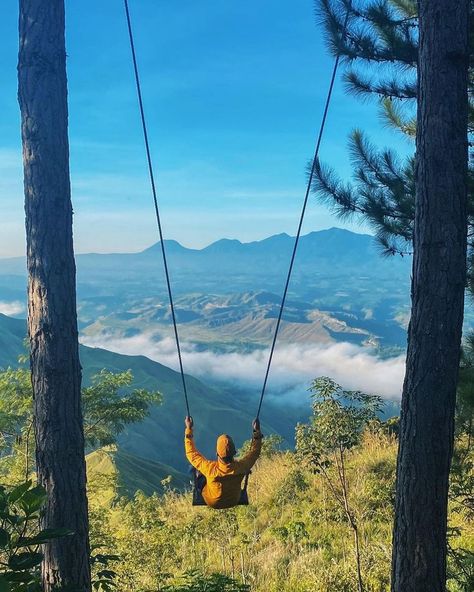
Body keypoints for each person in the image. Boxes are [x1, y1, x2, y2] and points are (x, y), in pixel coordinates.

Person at [184, 416, 263, 509]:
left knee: (196, 470)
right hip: (234, 500)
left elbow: (191, 454)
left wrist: (189, 428)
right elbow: (255, 452)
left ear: (217, 453)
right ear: (234, 452)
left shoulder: (210, 469)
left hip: (212, 502)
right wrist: (256, 430)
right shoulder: (242, 466)